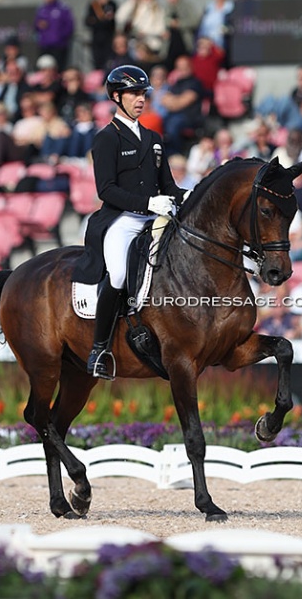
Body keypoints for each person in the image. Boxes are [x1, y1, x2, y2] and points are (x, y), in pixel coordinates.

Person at [72, 65, 189, 379]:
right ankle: (99, 349)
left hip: (156, 218)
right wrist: (147, 203)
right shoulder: (106, 139)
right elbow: (106, 190)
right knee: (120, 274)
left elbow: (170, 187)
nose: (141, 99)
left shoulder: (153, 138)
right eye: (134, 93)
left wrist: (191, 195)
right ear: (116, 96)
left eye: (143, 93)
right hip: (121, 220)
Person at [160, 54, 204, 155]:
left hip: (190, 118)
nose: (182, 70)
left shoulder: (195, 83)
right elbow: (163, 100)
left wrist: (173, 101)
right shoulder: (176, 83)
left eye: (184, 67)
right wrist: (175, 101)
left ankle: (175, 153)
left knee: (173, 124)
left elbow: (183, 102)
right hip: (172, 115)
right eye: (179, 67)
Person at [33, 0, 74, 70]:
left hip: (59, 46)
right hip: (45, 46)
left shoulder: (63, 8)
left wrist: (60, 38)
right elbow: (36, 26)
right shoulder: (41, 9)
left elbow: (69, 26)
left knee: (59, 70)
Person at [84, 0, 117, 71]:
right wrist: (101, 20)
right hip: (97, 39)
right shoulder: (93, 5)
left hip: (109, 38)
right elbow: (87, 22)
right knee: (97, 63)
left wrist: (97, 21)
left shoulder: (112, 3)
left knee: (109, 63)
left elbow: (110, 22)